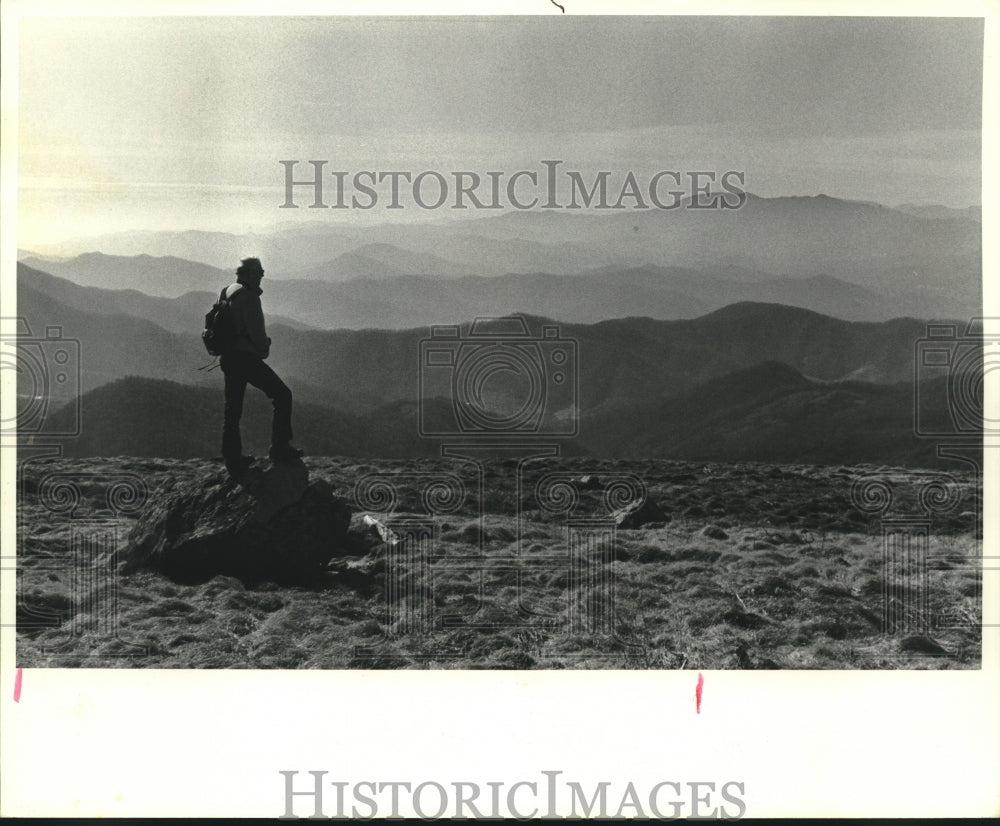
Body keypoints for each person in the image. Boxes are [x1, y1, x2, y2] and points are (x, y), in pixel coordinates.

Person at [220, 257, 302, 474]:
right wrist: (264, 348)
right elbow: (258, 336)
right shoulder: (250, 298)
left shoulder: (227, 291)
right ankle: (280, 447)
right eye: (260, 273)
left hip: (228, 358)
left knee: (233, 409)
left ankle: (232, 458)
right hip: (246, 359)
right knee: (282, 395)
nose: (262, 277)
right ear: (250, 274)